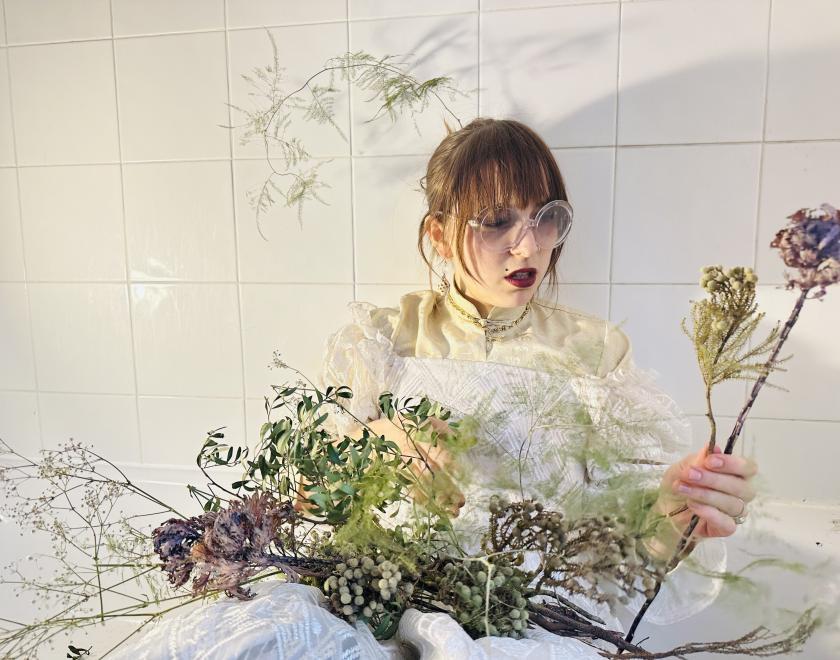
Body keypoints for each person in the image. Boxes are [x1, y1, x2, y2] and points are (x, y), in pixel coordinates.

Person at [114, 118, 759, 659]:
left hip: (527, 610)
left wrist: (680, 506)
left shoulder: (595, 351)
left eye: (547, 217)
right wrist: (379, 452)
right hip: (372, 594)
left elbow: (630, 539)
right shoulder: (380, 341)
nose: (528, 244)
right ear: (437, 234)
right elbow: (303, 498)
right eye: (495, 220)